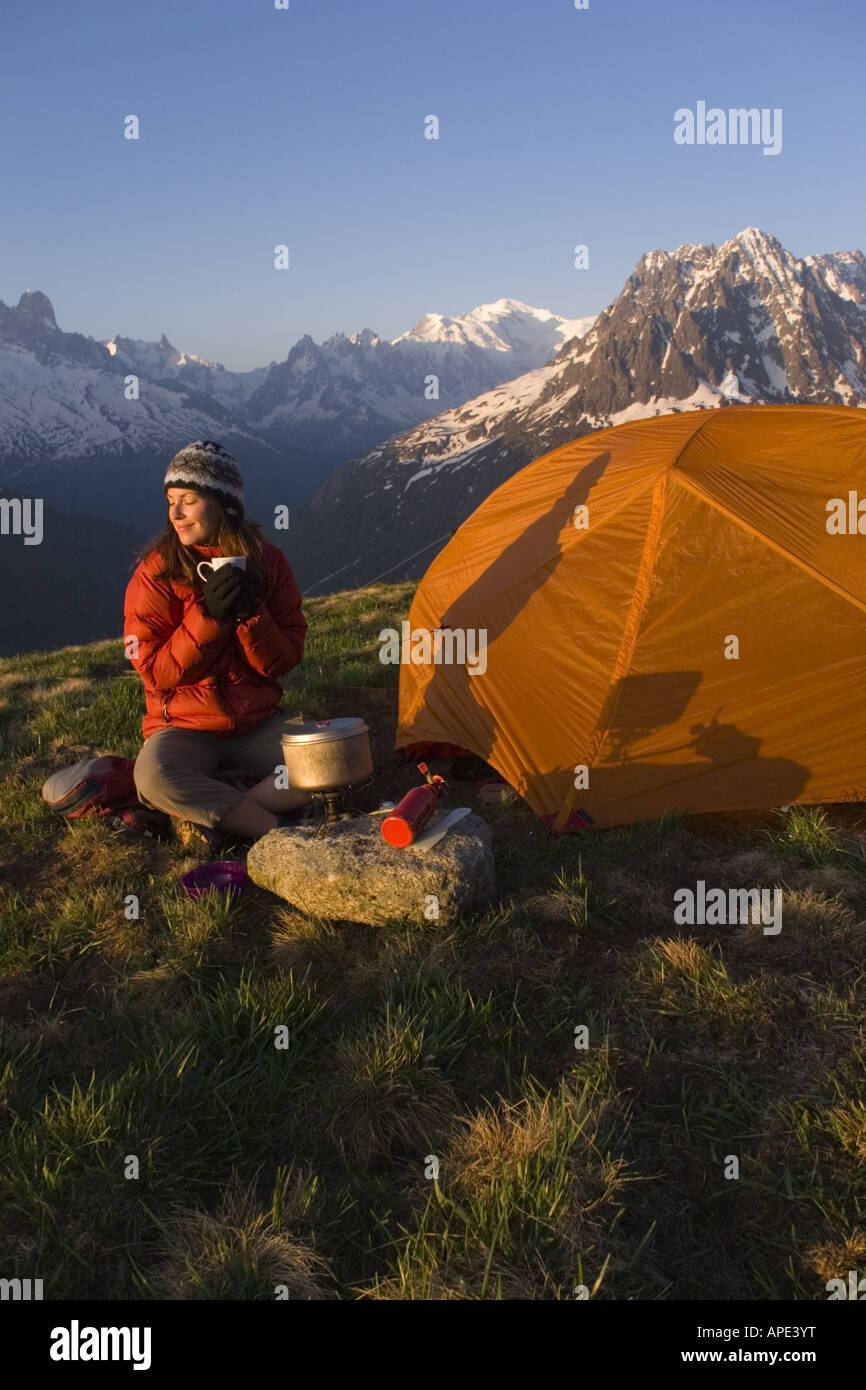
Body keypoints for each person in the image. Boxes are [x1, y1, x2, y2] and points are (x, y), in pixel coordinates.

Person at [124, 440, 313, 850]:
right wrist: (207, 616)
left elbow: (283, 660)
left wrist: (250, 616)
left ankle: (220, 815)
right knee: (153, 777)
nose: (174, 514)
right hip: (185, 729)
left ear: (226, 507)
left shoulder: (269, 563)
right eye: (171, 501)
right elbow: (156, 673)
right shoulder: (155, 572)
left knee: (332, 758)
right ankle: (277, 833)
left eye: (188, 501)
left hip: (256, 724)